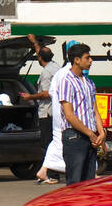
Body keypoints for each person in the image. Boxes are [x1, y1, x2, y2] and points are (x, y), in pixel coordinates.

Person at [51, 43, 105, 185]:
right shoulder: (66, 81)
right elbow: (69, 115)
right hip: (74, 136)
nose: (91, 61)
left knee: (89, 182)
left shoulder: (89, 83)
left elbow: (94, 110)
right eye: (87, 58)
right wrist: (90, 133)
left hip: (90, 137)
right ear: (76, 60)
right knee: (75, 182)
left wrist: (101, 132)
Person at [16, 36, 57, 183]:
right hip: (54, 113)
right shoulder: (54, 66)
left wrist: (30, 97)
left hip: (47, 113)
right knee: (52, 143)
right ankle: (51, 173)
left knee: (47, 144)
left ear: (40, 58)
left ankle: (51, 174)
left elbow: (45, 94)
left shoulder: (46, 73)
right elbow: (42, 55)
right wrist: (34, 43)